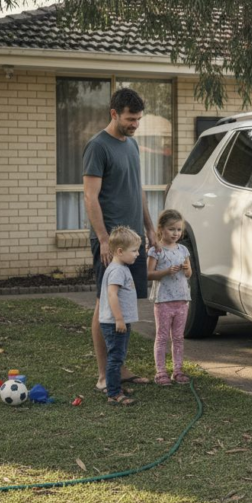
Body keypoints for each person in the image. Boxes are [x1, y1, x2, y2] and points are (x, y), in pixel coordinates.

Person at [83, 88, 157, 393]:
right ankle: (104, 374)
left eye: (138, 119)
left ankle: (119, 367)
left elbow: (137, 189)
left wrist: (149, 226)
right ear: (114, 113)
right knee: (106, 305)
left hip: (133, 241)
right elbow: (90, 196)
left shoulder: (133, 146)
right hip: (111, 244)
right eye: (130, 118)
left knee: (125, 304)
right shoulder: (97, 147)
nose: (135, 124)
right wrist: (103, 239)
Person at [147, 209, 193, 386]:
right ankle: (160, 372)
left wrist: (186, 268)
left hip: (182, 299)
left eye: (179, 230)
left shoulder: (183, 250)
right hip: (164, 300)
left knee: (179, 337)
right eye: (171, 229)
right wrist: (166, 272)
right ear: (161, 229)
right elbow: (149, 274)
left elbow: (189, 274)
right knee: (162, 336)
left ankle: (178, 370)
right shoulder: (156, 251)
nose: (176, 233)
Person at [99, 226, 143, 406]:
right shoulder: (117, 270)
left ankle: (114, 386)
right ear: (119, 251)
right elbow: (112, 295)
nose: (137, 254)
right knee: (115, 358)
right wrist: (119, 319)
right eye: (134, 250)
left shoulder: (122, 267)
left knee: (119, 356)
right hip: (114, 323)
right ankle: (114, 394)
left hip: (120, 322)